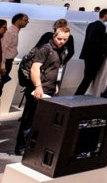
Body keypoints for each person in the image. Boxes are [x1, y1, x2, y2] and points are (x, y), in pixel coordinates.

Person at [15, 26, 70, 156]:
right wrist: (38, 87)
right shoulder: (45, 49)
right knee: (30, 119)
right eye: (59, 38)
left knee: (41, 120)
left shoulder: (63, 50)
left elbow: (58, 68)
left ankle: (32, 145)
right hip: (38, 89)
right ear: (54, 36)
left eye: (65, 39)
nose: (62, 41)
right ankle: (21, 147)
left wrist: (56, 84)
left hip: (49, 90)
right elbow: (35, 69)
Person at [76, 9, 107, 95]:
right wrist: (106, 53)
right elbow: (99, 43)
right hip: (94, 57)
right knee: (88, 78)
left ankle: (78, 95)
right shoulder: (101, 26)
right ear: (105, 15)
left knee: (87, 77)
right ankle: (78, 95)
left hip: (87, 55)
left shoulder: (91, 25)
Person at [0, 14, 29, 96]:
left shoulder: (14, 31)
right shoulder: (10, 32)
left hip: (8, 61)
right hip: (5, 62)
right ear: (18, 20)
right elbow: (2, 48)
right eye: (25, 20)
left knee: (0, 86)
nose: (27, 22)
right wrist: (2, 65)